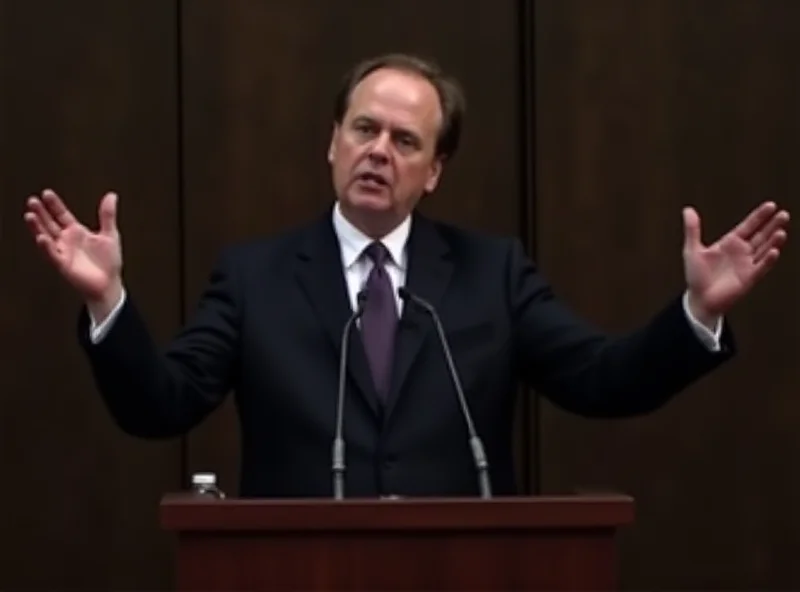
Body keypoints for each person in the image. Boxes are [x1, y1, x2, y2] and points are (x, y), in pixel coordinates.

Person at [24, 53, 789, 499]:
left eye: (404, 139)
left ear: (434, 172)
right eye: (363, 129)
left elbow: (602, 379)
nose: (379, 150)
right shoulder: (255, 277)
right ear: (332, 144)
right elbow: (162, 406)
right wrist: (108, 303)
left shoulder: (493, 274)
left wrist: (695, 312)